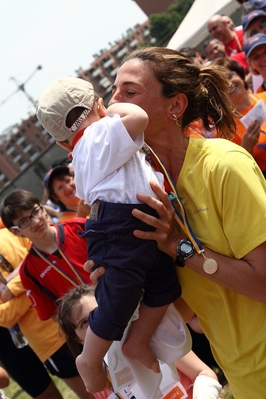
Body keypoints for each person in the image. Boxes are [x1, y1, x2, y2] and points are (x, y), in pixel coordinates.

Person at [85, 46, 266, 399]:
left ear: (175, 106)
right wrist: (122, 277)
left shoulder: (224, 166)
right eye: (114, 90)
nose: (111, 102)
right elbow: (187, 304)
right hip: (243, 375)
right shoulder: (152, 189)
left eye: (129, 91)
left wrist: (178, 246)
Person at [35, 76, 181, 393]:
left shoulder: (81, 154)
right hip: (120, 226)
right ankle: (89, 358)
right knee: (120, 298)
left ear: (61, 144)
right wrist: (112, 110)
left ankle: (137, 341)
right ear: (100, 106)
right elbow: (139, 117)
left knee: (163, 284)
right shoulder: (100, 132)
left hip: (121, 224)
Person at [0, 190, 98, 399]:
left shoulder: (78, 227)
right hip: (67, 339)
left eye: (35, 212)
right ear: (17, 231)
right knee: (102, 392)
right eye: (25, 221)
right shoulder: (29, 272)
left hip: (113, 312)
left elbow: (41, 249)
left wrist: (11, 288)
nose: (33, 221)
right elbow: (5, 316)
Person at [57, 284, 222, 399]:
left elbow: (204, 374)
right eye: (84, 323)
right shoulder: (97, 381)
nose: (95, 325)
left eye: (98, 313)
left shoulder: (152, 339)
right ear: (77, 338)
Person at [212, 56, 266, 175]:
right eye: (221, 84)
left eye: (230, 76)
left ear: (240, 75)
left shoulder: (264, 96)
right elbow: (240, 174)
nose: (229, 84)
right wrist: (246, 149)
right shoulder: (224, 133)